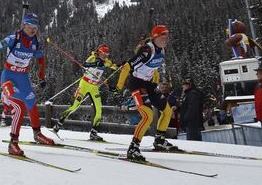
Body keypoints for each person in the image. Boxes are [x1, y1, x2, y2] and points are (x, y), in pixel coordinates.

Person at [0, 12, 54, 156]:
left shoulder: (35, 43)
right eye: (30, 26)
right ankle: (13, 143)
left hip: (23, 77)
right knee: (19, 106)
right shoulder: (13, 39)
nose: (33, 29)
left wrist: (41, 77)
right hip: (8, 77)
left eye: (35, 27)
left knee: (31, 102)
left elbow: (41, 58)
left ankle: (37, 134)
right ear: (24, 25)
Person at [115, 25, 177, 161]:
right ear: (156, 37)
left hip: (148, 84)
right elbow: (126, 67)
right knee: (148, 115)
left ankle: (160, 140)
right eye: (164, 36)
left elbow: (152, 66)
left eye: (168, 35)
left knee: (167, 111)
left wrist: (156, 78)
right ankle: (133, 147)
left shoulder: (161, 50)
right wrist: (119, 87)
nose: (167, 38)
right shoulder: (147, 50)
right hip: (136, 83)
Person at [53, 44, 118, 141]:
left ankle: (94, 133)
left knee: (99, 110)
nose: (105, 56)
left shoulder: (106, 62)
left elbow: (114, 66)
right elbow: (85, 64)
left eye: (106, 54)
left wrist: (121, 65)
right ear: (99, 52)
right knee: (75, 106)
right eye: (104, 54)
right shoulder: (93, 58)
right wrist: (96, 63)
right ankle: (58, 124)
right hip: (84, 84)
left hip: (94, 87)